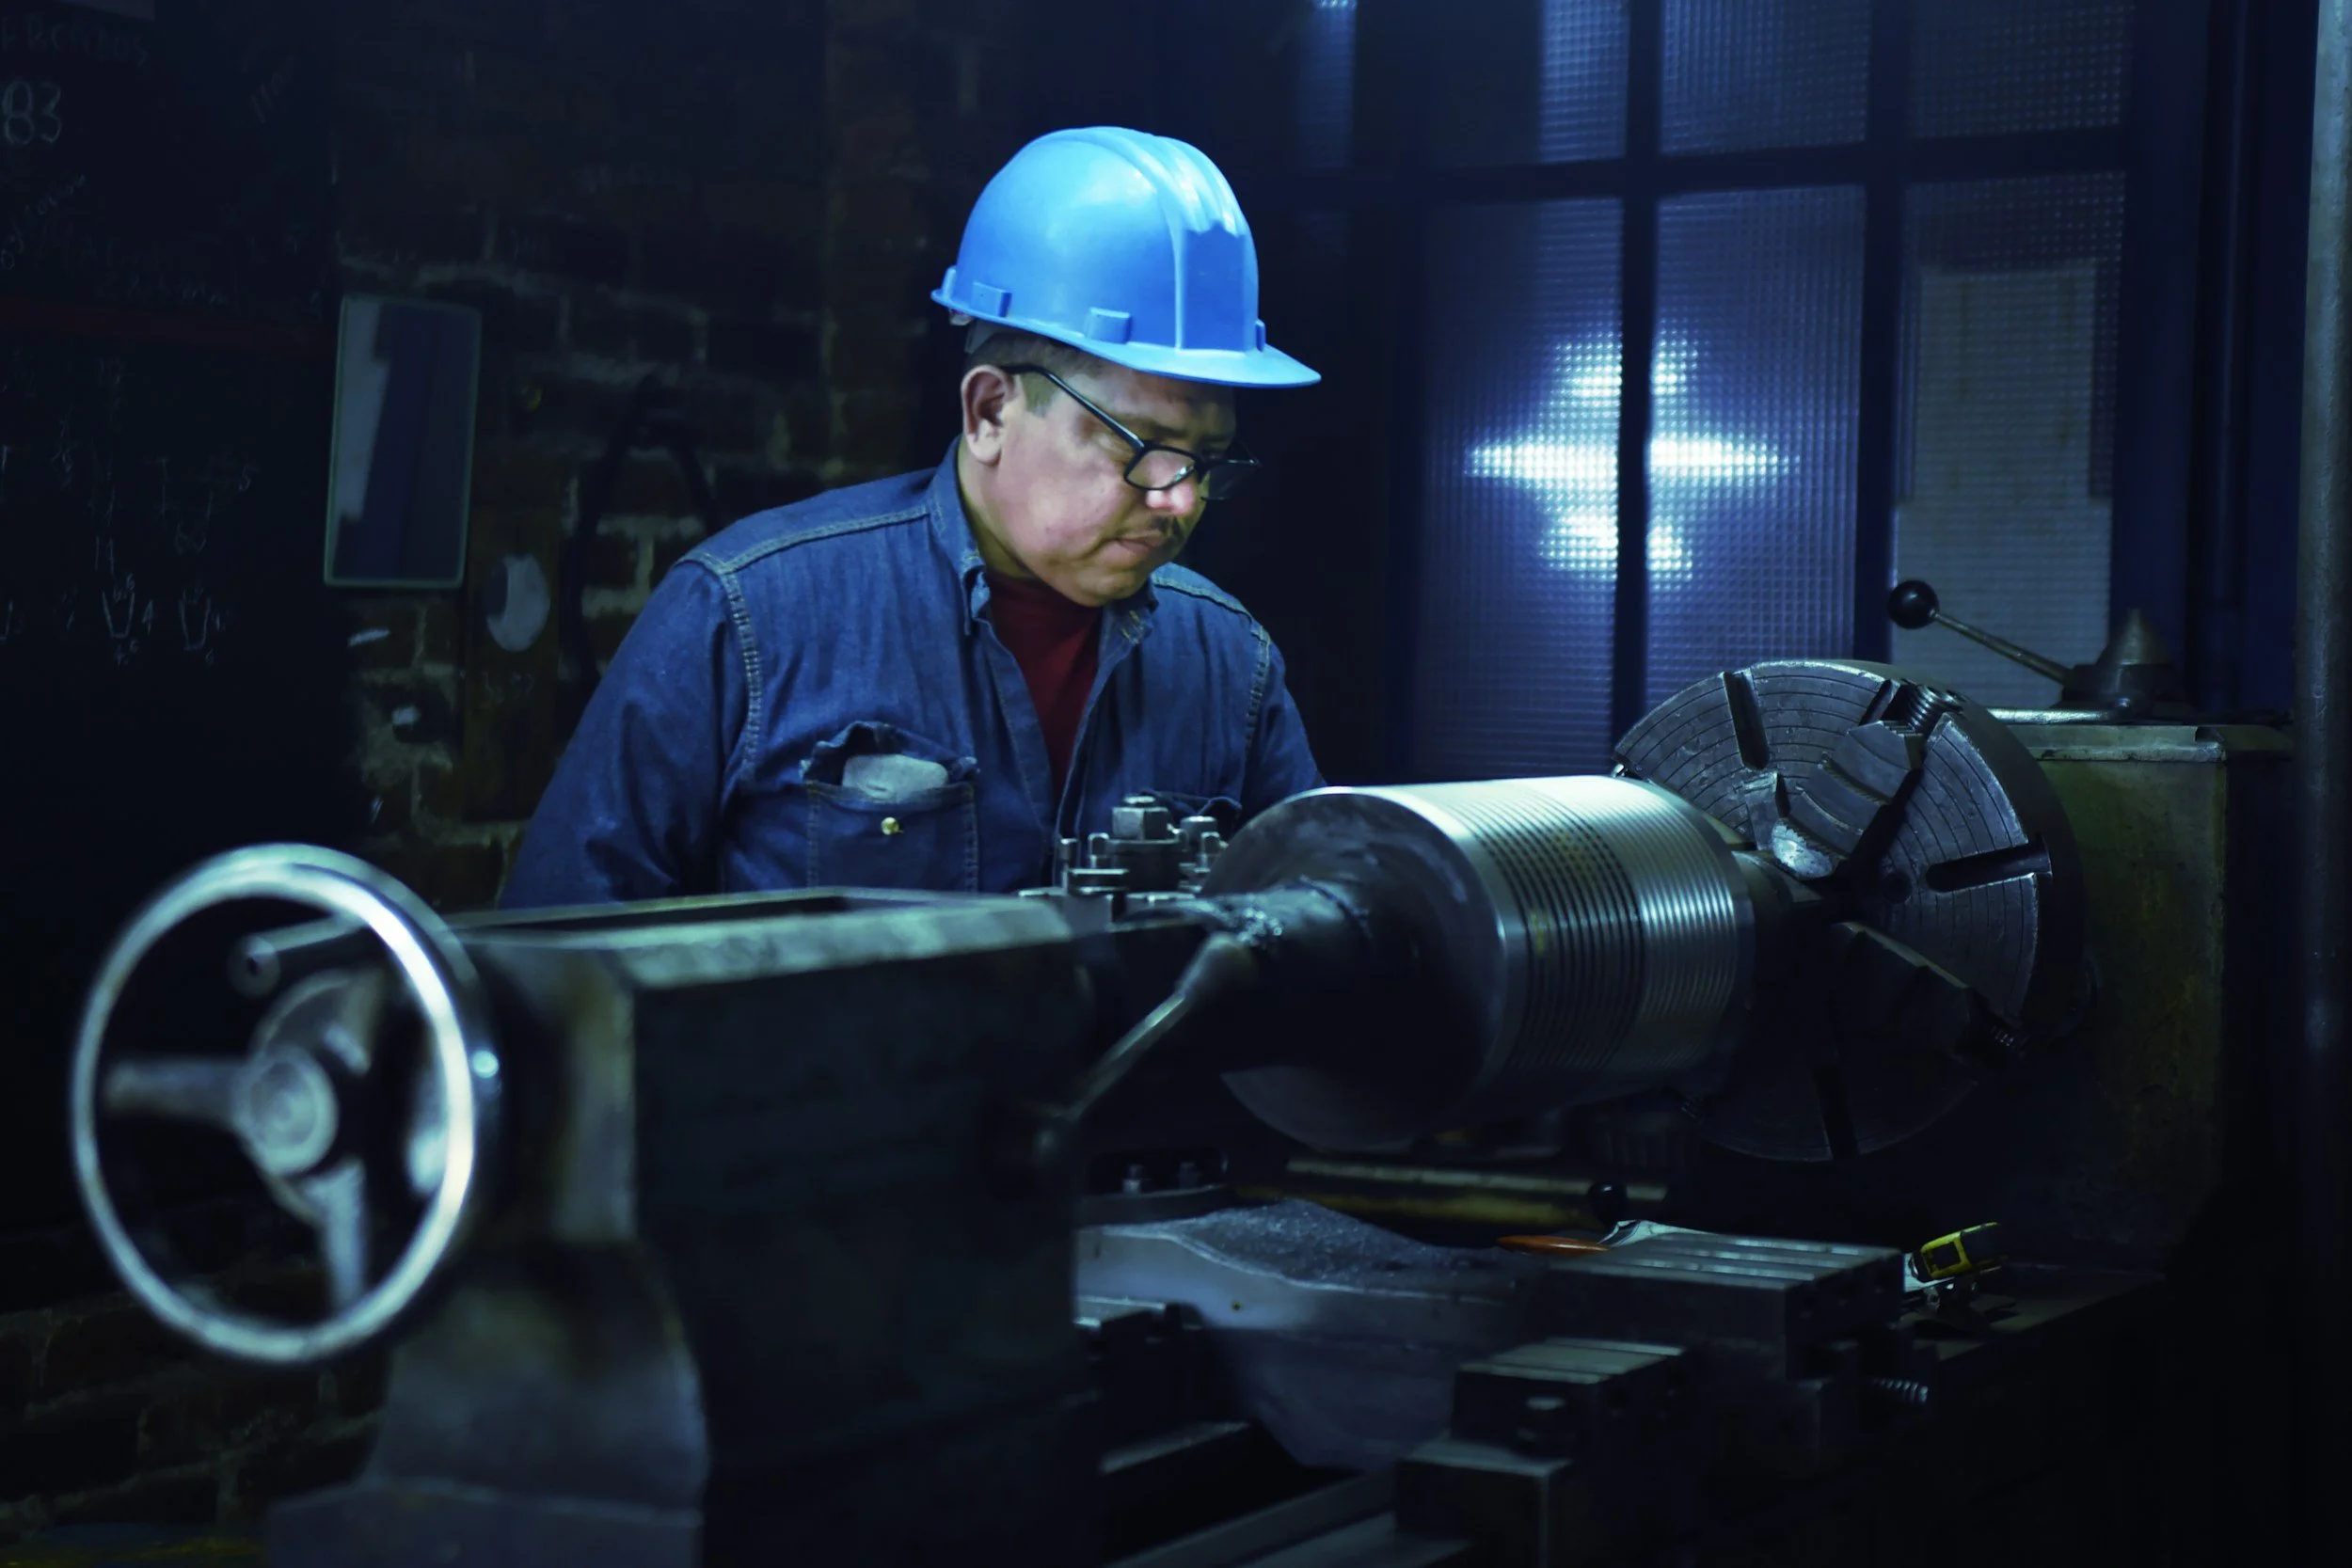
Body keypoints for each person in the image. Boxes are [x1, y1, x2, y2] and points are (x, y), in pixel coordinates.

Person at [501, 127, 1325, 907]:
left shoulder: (1228, 665)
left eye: (1207, 459)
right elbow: (556, 959)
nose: (1181, 497)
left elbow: (1311, 956)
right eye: (1143, 446)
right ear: (991, 411)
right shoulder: (749, 619)